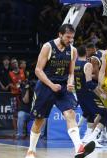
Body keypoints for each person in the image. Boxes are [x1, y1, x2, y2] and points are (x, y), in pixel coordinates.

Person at [25, 24, 95, 158]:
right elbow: (38, 70)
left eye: (72, 38)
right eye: (68, 37)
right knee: (39, 120)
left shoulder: (73, 51)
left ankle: (79, 148)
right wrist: (51, 85)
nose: (70, 40)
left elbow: (71, 72)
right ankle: (31, 150)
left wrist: (70, 82)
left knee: (70, 114)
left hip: (62, 86)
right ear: (60, 34)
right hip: (46, 85)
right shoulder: (48, 47)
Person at [74, 45, 107, 147]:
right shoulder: (87, 65)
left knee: (89, 114)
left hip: (79, 93)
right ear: (86, 53)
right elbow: (89, 83)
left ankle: (87, 137)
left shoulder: (75, 64)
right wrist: (101, 93)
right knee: (105, 115)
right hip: (88, 93)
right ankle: (93, 138)